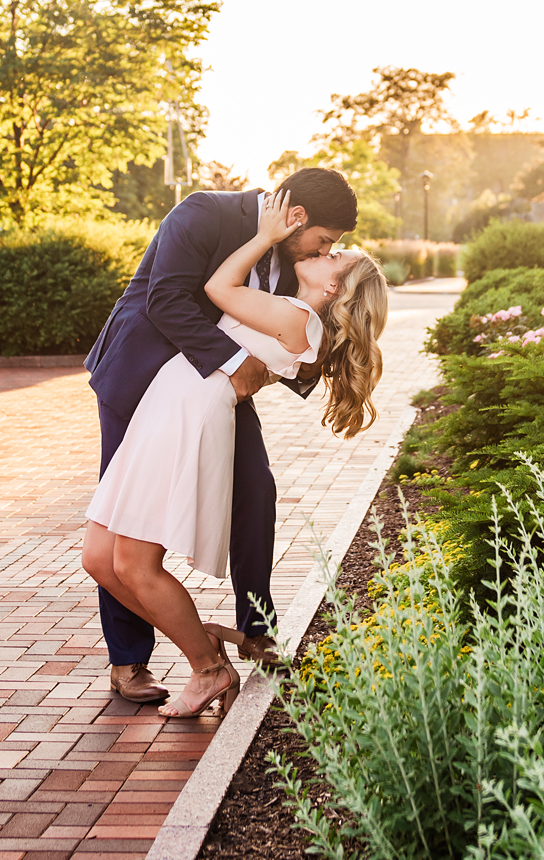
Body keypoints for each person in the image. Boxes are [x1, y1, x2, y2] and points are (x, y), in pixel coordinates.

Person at [81, 172, 389, 715]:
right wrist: (240, 363)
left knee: (255, 490)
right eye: (325, 240)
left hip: (209, 393)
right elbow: (166, 299)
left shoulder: (297, 262)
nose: (327, 250)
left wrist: (273, 364)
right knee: (120, 525)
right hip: (140, 378)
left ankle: (254, 628)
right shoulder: (205, 213)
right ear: (296, 219)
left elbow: (304, 336)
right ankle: (129, 659)